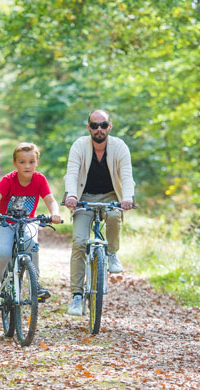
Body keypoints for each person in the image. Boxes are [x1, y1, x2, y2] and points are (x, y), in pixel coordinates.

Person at [63, 109, 135, 316]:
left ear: (109, 126)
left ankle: (111, 253)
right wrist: (71, 196)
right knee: (78, 242)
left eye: (103, 125)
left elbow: (127, 176)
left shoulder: (119, 146)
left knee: (113, 216)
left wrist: (127, 198)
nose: (99, 129)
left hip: (111, 196)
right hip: (83, 197)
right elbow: (72, 172)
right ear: (89, 128)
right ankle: (77, 296)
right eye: (94, 126)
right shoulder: (79, 146)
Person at [0, 142, 62, 315]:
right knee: (3, 253)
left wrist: (54, 213)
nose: (27, 166)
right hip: (4, 222)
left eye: (31, 161)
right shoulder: (9, 180)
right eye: (22, 162)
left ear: (37, 163)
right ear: (15, 163)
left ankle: (36, 284)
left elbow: (50, 200)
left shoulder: (39, 179)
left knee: (32, 244)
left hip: (26, 222)